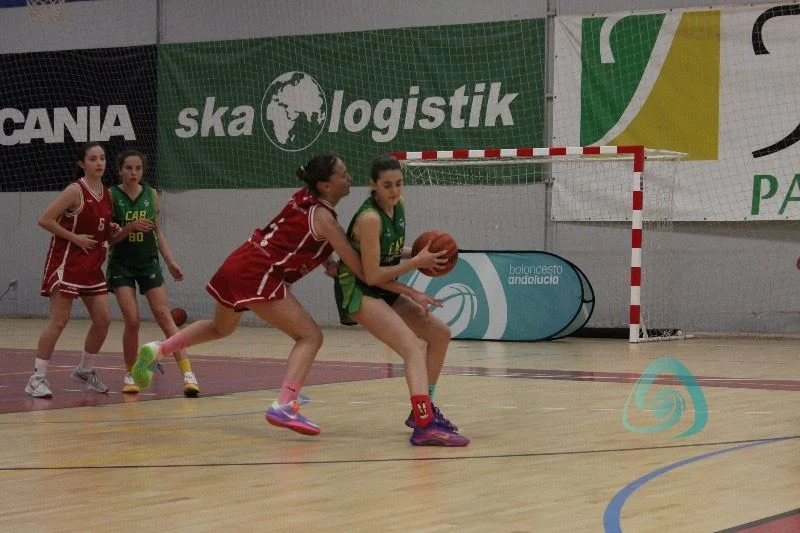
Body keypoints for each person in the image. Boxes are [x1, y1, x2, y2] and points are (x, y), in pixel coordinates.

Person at [133, 154, 442, 436]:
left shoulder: (304, 198)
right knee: (310, 336)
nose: (349, 178)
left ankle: (159, 349)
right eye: (343, 174)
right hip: (260, 273)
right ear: (326, 185)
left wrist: (328, 262)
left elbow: (304, 237)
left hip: (239, 263)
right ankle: (285, 403)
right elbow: (362, 270)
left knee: (220, 328)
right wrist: (414, 266)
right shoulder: (326, 219)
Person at [335, 154, 470, 446]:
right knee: (412, 348)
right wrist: (414, 270)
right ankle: (424, 426)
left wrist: (425, 254)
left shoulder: (399, 207)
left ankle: (423, 408)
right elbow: (372, 275)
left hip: (381, 286)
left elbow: (390, 254)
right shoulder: (370, 219)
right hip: (358, 289)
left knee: (440, 334)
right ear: (373, 185)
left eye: (398, 183)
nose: (394, 191)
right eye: (387, 185)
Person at [26, 142, 118, 398]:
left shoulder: (107, 193)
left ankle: (84, 370)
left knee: (103, 320)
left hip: (92, 266)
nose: (99, 163)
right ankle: (36, 378)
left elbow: (100, 226)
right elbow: (44, 220)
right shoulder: (74, 190)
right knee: (59, 320)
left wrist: (113, 229)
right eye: (93, 159)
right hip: (66, 262)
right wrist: (75, 238)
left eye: (102, 158)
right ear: (82, 163)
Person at [106, 150, 199, 397]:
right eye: (129, 168)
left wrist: (170, 261)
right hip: (122, 265)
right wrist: (130, 227)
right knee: (132, 320)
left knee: (165, 316)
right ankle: (130, 373)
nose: (134, 173)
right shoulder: (111, 195)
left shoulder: (151, 194)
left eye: (138, 168)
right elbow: (110, 238)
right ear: (120, 170)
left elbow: (157, 232)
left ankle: (188, 374)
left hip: (148, 263)